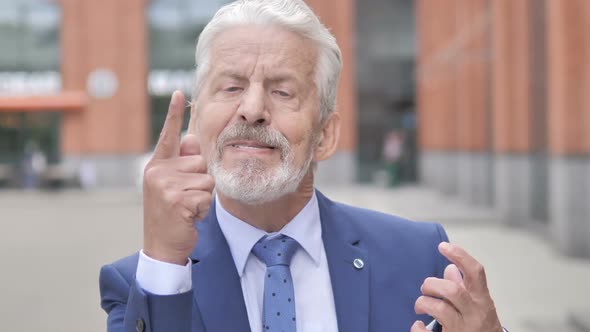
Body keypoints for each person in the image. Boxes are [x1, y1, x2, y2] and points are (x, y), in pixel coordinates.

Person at [99, 1, 506, 331]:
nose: (253, 109)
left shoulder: (419, 258)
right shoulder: (143, 282)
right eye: (232, 87)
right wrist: (166, 261)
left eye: (282, 91)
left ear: (325, 136)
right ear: (199, 120)